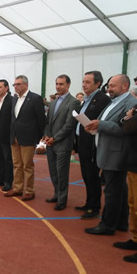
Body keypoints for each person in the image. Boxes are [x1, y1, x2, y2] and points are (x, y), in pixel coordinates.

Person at [84, 74, 137, 235]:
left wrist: (100, 124)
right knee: (119, 190)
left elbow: (124, 129)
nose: (109, 89)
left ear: (125, 86)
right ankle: (121, 222)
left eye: (113, 85)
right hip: (108, 151)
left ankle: (107, 225)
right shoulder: (114, 102)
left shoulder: (131, 103)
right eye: (109, 85)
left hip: (116, 153)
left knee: (112, 191)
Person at [74, 71, 111, 219]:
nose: (84, 85)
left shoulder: (102, 99)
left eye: (88, 82)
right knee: (86, 175)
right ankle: (89, 202)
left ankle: (94, 207)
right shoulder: (87, 99)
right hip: (83, 142)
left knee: (92, 176)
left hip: (92, 144)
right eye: (83, 82)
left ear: (98, 83)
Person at [43, 75, 81, 210]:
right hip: (50, 143)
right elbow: (47, 122)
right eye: (56, 84)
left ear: (68, 85)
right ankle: (56, 193)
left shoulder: (74, 102)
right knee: (53, 171)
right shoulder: (53, 102)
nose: (58, 86)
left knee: (62, 173)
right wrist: (46, 135)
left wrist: (55, 138)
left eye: (61, 84)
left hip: (63, 144)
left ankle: (62, 199)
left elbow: (69, 125)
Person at [5, 75, 45, 201]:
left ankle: (29, 190)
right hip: (14, 136)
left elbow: (41, 119)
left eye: (18, 84)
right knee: (17, 164)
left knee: (27, 165)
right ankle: (17, 188)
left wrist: (38, 137)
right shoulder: (15, 99)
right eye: (14, 84)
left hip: (28, 137)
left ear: (26, 85)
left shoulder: (35, 98)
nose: (15, 86)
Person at [114, 79, 137, 263]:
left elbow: (130, 126)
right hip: (133, 159)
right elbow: (124, 123)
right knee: (133, 204)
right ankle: (136, 239)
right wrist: (129, 120)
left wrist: (130, 121)